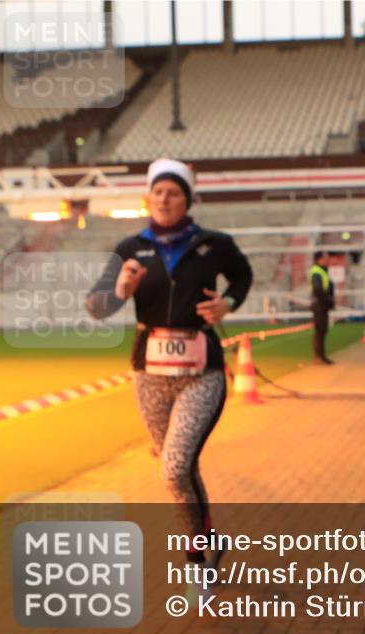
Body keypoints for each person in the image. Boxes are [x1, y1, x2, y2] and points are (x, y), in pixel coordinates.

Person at [86, 158, 253, 603]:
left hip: (203, 372)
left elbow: (242, 276)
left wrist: (228, 303)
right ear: (148, 198)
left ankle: (196, 564)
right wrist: (121, 290)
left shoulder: (214, 244)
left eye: (173, 191)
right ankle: (210, 539)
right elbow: (95, 306)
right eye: (158, 191)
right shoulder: (130, 247)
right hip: (150, 375)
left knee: (175, 468)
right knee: (180, 470)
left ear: (187, 199)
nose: (164, 198)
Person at [309, 250, 335, 365]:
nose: (328, 260)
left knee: (323, 330)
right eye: (326, 258)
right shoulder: (317, 272)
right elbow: (318, 290)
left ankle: (322, 356)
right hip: (319, 304)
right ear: (320, 259)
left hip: (323, 304)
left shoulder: (323, 271)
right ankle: (319, 357)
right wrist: (327, 299)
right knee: (320, 331)